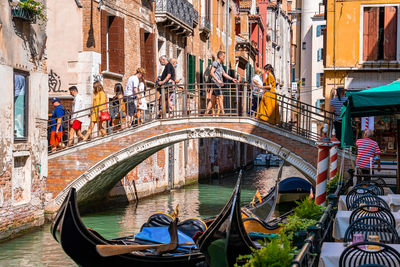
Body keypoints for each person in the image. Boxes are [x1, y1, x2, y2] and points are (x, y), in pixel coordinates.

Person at [208, 51, 238, 116]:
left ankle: (210, 114)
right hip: (215, 82)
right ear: (220, 56)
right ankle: (223, 113)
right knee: (221, 97)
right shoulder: (215, 63)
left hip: (217, 83)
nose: (224, 58)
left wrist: (232, 79)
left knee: (212, 98)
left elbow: (224, 74)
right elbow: (211, 72)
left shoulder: (220, 65)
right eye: (223, 56)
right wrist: (218, 80)